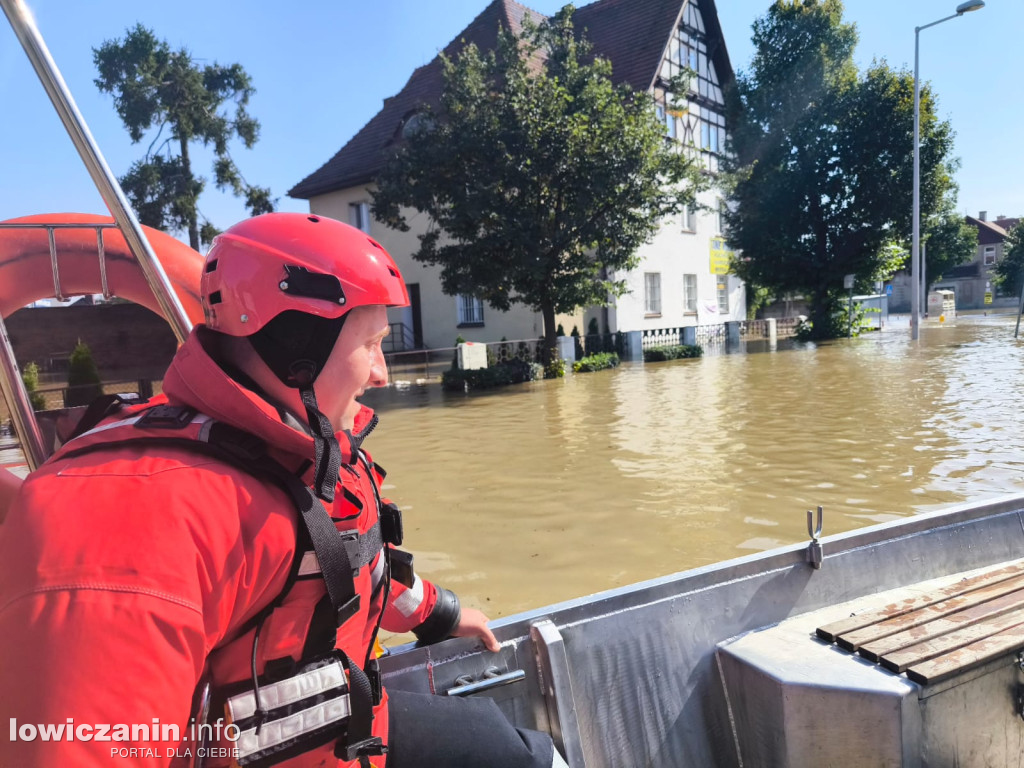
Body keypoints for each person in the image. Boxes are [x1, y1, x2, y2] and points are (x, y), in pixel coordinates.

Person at [0, 213, 565, 767]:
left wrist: (437, 613)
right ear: (297, 350)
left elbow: (344, 559)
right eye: (371, 343)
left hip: (349, 738)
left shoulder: (299, 448)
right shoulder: (130, 524)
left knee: (525, 754)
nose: (381, 374)